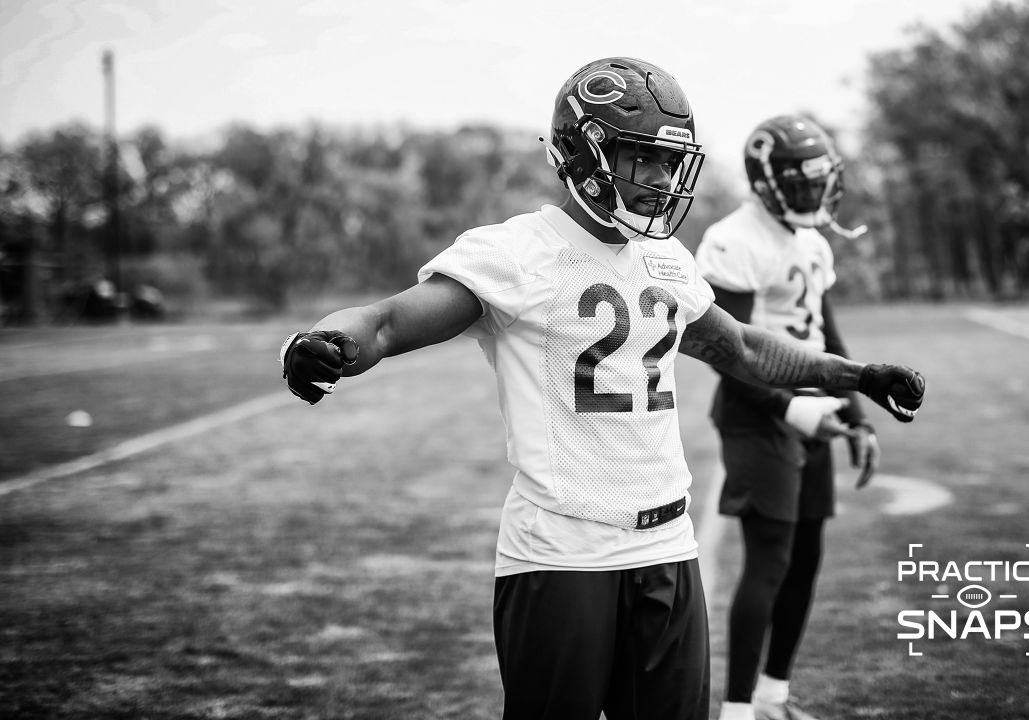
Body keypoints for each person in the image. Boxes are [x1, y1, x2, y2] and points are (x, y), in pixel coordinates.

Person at [278, 58, 925, 720]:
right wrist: (324, 344)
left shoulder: (667, 260)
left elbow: (745, 347)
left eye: (672, 163)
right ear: (583, 152)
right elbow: (385, 322)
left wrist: (856, 377)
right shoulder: (517, 252)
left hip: (667, 544)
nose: (662, 179)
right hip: (563, 550)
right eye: (642, 158)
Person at [695, 116, 879, 720]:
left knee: (805, 557)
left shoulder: (814, 243)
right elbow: (733, 357)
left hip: (815, 411)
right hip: (758, 415)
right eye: (801, 183)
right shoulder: (733, 239)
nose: (813, 195)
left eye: (818, 181)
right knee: (769, 559)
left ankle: (775, 696)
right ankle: (739, 711)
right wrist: (797, 409)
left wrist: (858, 415)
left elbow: (828, 335)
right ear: (768, 184)